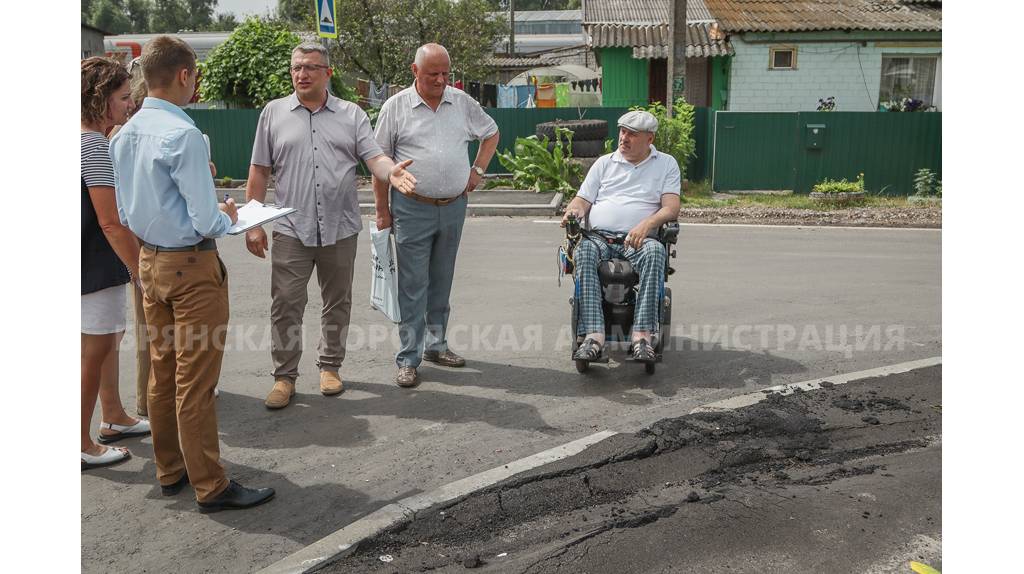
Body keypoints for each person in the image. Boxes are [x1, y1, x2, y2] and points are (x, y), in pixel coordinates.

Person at [110, 35, 274, 512]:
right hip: (191, 266)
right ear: (184, 75)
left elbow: (124, 210)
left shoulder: (124, 134)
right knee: (196, 381)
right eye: (195, 77)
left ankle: (171, 470)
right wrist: (230, 213)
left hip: (151, 262)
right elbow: (206, 221)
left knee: (161, 375)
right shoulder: (182, 135)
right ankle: (212, 485)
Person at [245, 41, 417, 409]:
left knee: (336, 302)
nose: (301, 74)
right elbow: (259, 169)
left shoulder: (351, 114)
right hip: (292, 228)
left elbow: (374, 158)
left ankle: (329, 367)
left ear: (328, 73)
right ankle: (284, 377)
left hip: (339, 227)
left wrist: (392, 172)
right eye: (296, 68)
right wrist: (253, 223)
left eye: (309, 67)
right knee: (285, 304)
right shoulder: (273, 114)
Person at [372, 43, 500, 388]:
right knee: (414, 286)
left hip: (453, 206)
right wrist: (383, 211)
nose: (441, 80)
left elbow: (491, 133)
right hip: (412, 208)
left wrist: (478, 170)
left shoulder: (461, 103)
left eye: (446, 73)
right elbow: (379, 162)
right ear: (415, 72)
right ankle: (409, 358)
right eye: (433, 74)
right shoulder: (395, 107)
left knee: (441, 282)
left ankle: (437, 345)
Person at [560, 110, 681, 362]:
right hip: (600, 237)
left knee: (655, 252)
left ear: (650, 139)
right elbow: (582, 200)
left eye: (632, 134)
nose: (624, 138)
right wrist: (573, 212)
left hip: (639, 239)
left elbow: (671, 207)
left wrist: (646, 225)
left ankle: (642, 337)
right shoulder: (605, 163)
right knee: (583, 250)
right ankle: (594, 336)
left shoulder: (666, 163)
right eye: (622, 132)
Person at [81, 57, 152, 471]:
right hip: (94, 265)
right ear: (100, 99)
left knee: (107, 337)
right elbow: (110, 221)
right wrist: (140, 269)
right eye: (124, 98)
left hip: (86, 264)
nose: (129, 105)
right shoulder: (93, 144)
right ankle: (83, 443)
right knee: (96, 348)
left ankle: (115, 416)